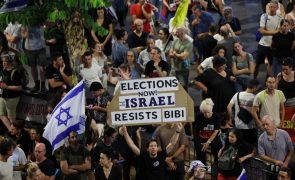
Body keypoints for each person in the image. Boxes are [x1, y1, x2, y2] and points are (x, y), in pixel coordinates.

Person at [120, 122, 184, 180]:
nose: (153, 148)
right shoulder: (143, 156)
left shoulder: (161, 155)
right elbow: (132, 145)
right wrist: (125, 133)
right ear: (147, 149)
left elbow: (172, 143)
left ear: (157, 148)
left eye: (155, 146)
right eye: (151, 146)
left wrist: (177, 131)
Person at [227, 79, 260, 145]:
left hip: (238, 126)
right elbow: (257, 112)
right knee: (250, 146)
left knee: (240, 146)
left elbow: (229, 107)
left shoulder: (237, 95)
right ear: (254, 87)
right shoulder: (255, 97)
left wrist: (231, 118)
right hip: (250, 126)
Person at [255, 0, 282, 78]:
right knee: (258, 64)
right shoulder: (264, 16)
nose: (272, 8)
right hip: (262, 44)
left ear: (277, 8)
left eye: (274, 7)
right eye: (270, 7)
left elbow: (277, 31)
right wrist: (274, 32)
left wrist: (266, 31)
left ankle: (269, 80)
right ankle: (254, 80)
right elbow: (262, 31)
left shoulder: (280, 18)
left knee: (271, 64)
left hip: (272, 45)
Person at [193, 98, 222, 166]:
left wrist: (208, 142)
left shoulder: (216, 116)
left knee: (218, 145)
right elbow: (193, 126)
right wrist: (194, 136)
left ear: (211, 110)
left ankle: (217, 163)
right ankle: (202, 166)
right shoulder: (198, 116)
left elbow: (216, 131)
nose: (206, 114)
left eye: (208, 112)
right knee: (200, 150)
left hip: (212, 136)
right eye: (205, 112)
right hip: (201, 136)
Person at [0, 52, 22, 131]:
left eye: (5, 61)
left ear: (9, 62)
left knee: (11, 118)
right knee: (1, 114)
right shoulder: (3, 70)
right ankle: (11, 131)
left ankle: (16, 132)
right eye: (2, 61)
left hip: (12, 98)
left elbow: (19, 87)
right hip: (3, 96)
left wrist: (7, 87)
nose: (3, 63)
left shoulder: (14, 72)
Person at [21, 25, 47, 92]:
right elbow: (23, 34)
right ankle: (36, 85)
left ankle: (43, 86)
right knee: (33, 67)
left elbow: (48, 24)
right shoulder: (26, 22)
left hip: (41, 47)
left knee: (42, 67)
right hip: (30, 49)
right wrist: (26, 33)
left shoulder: (39, 19)